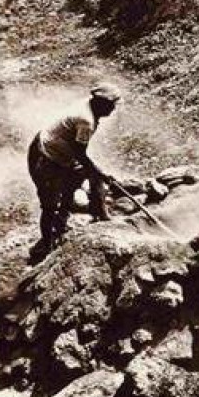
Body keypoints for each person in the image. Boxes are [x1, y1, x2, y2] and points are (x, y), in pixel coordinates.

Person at [27, 83, 120, 263]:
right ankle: (47, 246)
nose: (113, 109)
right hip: (46, 158)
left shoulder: (90, 106)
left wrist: (96, 173)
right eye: (111, 105)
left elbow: (78, 154)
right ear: (100, 104)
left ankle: (71, 220)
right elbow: (80, 154)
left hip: (62, 154)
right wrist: (100, 172)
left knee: (79, 178)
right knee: (49, 205)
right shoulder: (86, 120)